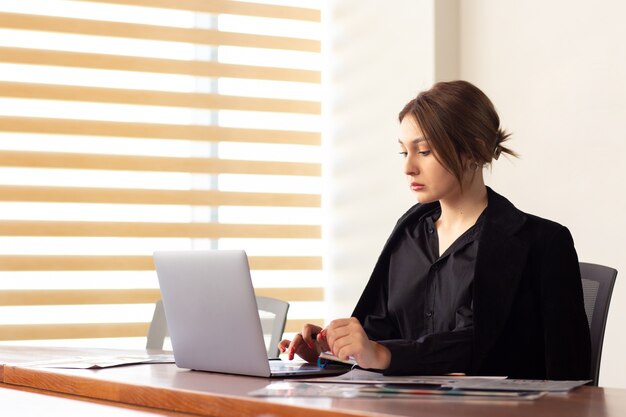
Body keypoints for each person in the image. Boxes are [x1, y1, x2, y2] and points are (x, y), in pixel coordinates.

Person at [279, 80, 591, 380]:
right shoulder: (409, 232)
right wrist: (333, 349)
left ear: (474, 151)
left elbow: (478, 344)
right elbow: (382, 329)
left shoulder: (542, 243)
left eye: (424, 151)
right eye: (404, 151)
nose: (408, 167)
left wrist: (385, 355)